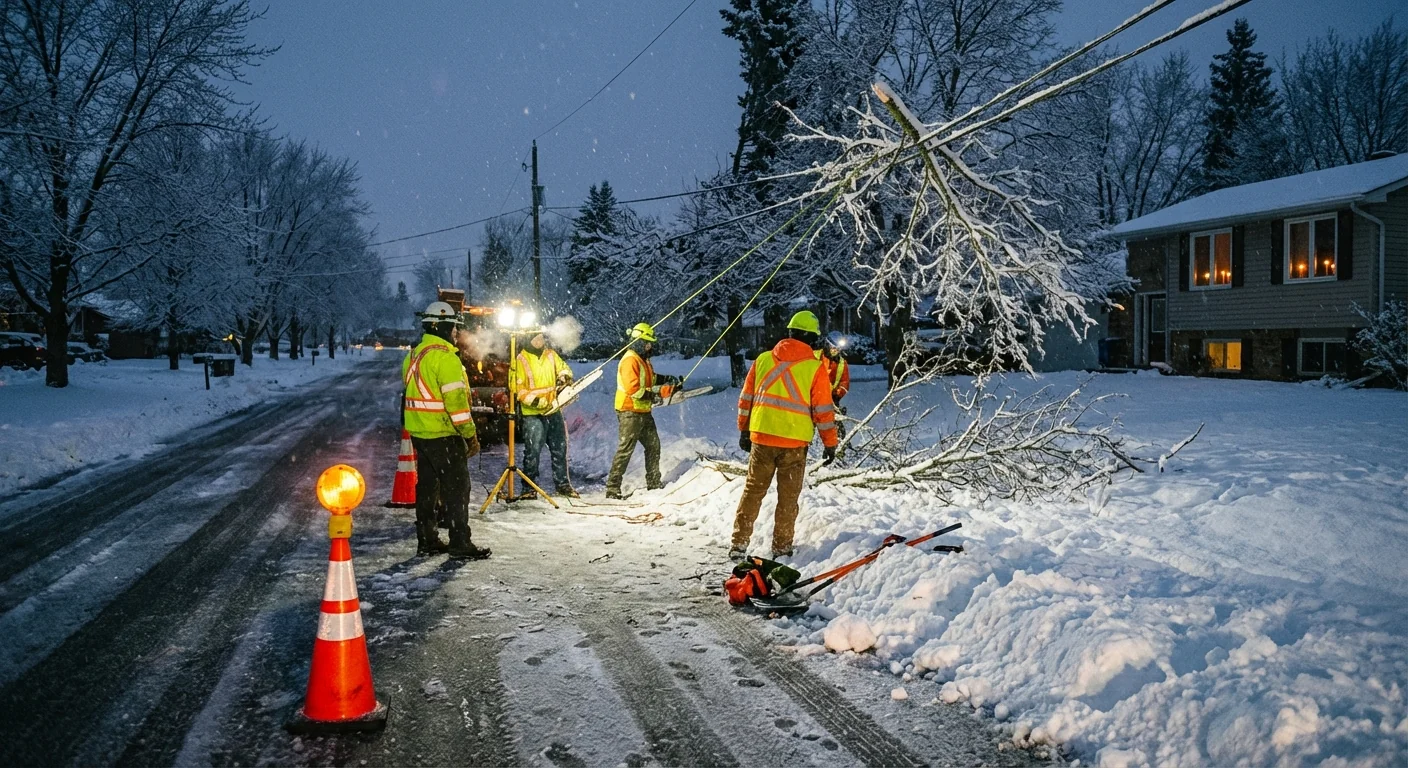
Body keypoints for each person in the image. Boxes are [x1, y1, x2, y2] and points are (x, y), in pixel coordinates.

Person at [730, 310, 839, 559]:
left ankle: (738, 543)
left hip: (762, 438)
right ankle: (781, 548)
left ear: (790, 332)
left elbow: (746, 398)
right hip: (794, 443)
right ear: (811, 338)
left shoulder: (763, 360)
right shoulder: (815, 368)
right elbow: (823, 411)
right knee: (788, 499)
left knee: (753, 492)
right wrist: (830, 443)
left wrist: (744, 429)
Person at [402, 302, 490, 560]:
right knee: (457, 488)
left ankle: (427, 540)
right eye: (452, 327)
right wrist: (470, 435)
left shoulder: (413, 356)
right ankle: (460, 542)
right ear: (441, 327)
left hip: (420, 434)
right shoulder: (446, 358)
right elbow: (457, 406)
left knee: (427, 488)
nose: (455, 332)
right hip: (443, 435)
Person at [605, 323, 680, 500]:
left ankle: (653, 482)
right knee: (625, 450)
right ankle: (612, 488)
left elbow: (650, 379)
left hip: (643, 411)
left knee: (653, 446)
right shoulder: (630, 360)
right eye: (647, 343)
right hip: (629, 411)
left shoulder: (643, 360)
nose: (649, 346)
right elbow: (634, 389)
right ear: (639, 342)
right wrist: (654, 396)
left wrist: (666, 379)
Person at [510, 329, 578, 498]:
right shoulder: (521, 360)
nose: (540, 341)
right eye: (536, 338)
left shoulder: (550, 354)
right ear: (529, 340)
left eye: (541, 337)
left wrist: (564, 377)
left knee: (559, 448)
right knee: (533, 451)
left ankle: (563, 485)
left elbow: (564, 368)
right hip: (532, 414)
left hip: (553, 410)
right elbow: (518, 389)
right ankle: (529, 487)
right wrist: (537, 402)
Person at [816, 331, 851, 406]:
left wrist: (837, 395)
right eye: (833, 348)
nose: (835, 350)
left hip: (830, 400)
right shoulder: (815, 355)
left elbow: (845, 382)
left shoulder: (842, 363)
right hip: (813, 397)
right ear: (827, 345)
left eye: (838, 349)